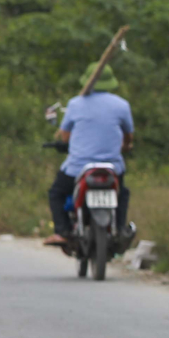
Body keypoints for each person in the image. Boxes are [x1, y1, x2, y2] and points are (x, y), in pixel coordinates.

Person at [44, 66, 134, 246]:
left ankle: (62, 231)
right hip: (112, 168)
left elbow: (65, 135)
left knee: (56, 193)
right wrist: (125, 146)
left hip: (78, 168)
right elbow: (128, 136)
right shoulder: (122, 105)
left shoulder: (75, 104)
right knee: (122, 193)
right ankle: (120, 228)